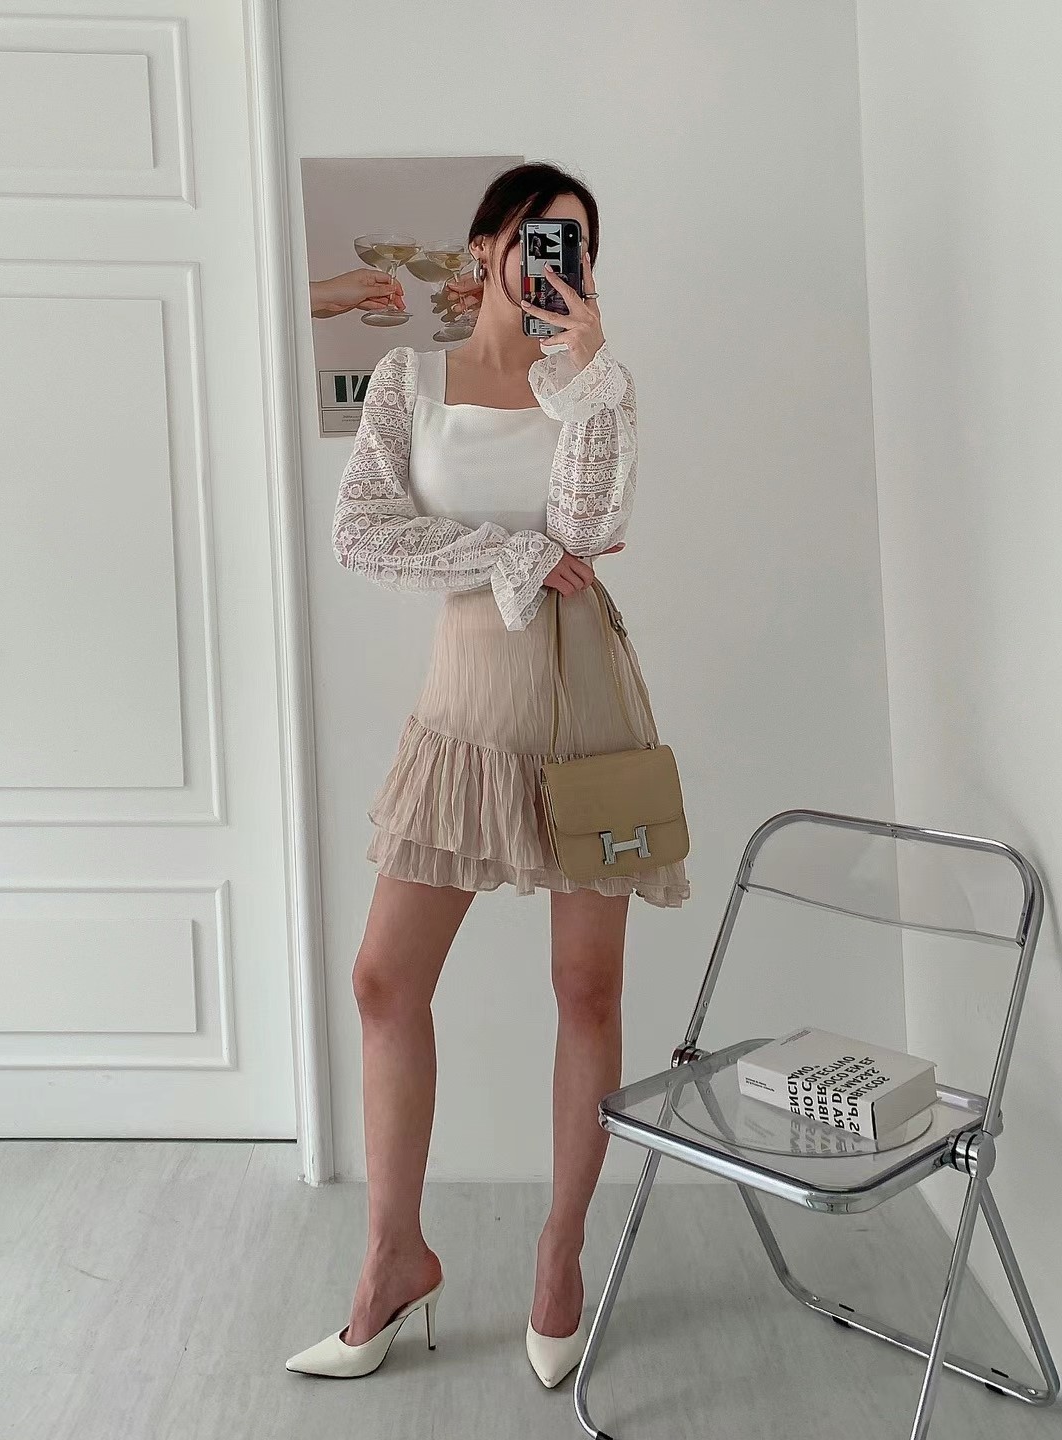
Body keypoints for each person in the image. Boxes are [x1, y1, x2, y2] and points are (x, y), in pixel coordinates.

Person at [286, 161, 690, 1390]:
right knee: (382, 980)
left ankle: (561, 1255)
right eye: (533, 236)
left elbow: (592, 529)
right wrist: (508, 554)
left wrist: (590, 371)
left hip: (586, 707)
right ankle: (392, 1257)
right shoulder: (407, 380)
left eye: (576, 244)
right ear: (482, 247)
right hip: (465, 708)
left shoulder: (594, 386)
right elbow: (363, 530)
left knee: (586, 991)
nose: (552, 260)